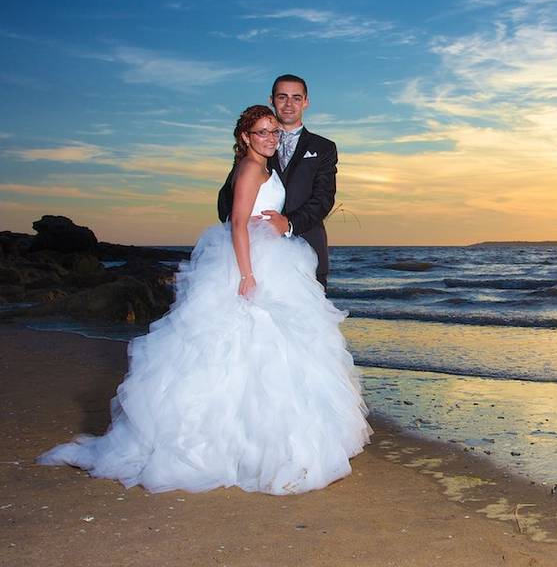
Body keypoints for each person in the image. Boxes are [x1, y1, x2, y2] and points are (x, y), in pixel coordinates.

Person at [38, 105, 373, 495]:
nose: (270, 138)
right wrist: (247, 275)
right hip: (252, 263)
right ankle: (238, 447)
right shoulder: (249, 169)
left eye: (273, 132)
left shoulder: (265, 167)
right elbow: (235, 222)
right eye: (261, 133)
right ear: (245, 138)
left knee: (275, 351)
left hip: (275, 257)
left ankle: (266, 440)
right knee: (239, 348)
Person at [218, 74, 337, 289]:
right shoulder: (256, 146)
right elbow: (227, 197)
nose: (289, 104)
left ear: (306, 102)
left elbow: (323, 200)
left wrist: (288, 223)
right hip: (257, 257)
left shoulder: (324, 148)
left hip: (307, 252)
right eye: (282, 97)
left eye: (296, 98)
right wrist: (246, 222)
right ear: (271, 100)